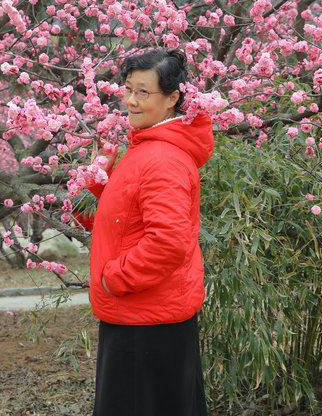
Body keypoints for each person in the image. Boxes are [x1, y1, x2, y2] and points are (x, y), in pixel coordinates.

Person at [87, 48, 214, 416]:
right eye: (128, 89)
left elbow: (168, 242)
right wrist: (99, 183)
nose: (130, 100)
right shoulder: (146, 148)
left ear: (173, 97)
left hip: (145, 318)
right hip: (142, 314)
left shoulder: (162, 159)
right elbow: (125, 223)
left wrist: (114, 278)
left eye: (144, 92)